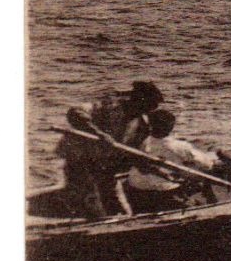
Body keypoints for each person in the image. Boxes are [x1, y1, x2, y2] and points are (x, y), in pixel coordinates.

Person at [55, 80, 165, 219]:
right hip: (80, 160)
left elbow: (138, 157)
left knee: (120, 210)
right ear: (136, 100)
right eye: (146, 106)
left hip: (106, 167)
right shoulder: (107, 106)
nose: (147, 111)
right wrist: (98, 133)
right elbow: (75, 112)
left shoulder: (142, 125)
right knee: (91, 205)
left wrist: (156, 168)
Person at [124, 109, 222, 213]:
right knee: (202, 173)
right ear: (171, 126)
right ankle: (208, 203)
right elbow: (207, 165)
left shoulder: (142, 142)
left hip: (135, 189)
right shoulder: (179, 146)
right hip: (164, 192)